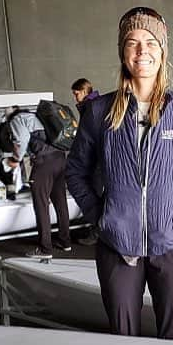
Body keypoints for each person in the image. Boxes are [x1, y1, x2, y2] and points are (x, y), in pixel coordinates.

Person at [65, 6, 173, 340]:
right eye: (132, 42)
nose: (141, 50)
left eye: (150, 42)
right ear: (122, 52)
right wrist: (99, 215)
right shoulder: (98, 111)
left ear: (162, 50)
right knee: (123, 340)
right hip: (116, 246)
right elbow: (75, 171)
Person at [6, 110, 72, 259]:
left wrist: (15, 160)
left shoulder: (17, 120)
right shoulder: (38, 115)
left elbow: (21, 140)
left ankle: (45, 249)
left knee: (41, 205)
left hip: (44, 163)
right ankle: (65, 241)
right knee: (60, 201)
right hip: (60, 158)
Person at [70, 78, 101, 246]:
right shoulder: (95, 105)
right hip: (97, 158)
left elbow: (88, 136)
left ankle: (97, 231)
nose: (75, 98)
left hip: (94, 159)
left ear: (84, 91)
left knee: (93, 193)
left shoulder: (90, 108)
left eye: (76, 94)